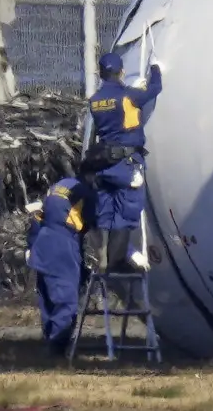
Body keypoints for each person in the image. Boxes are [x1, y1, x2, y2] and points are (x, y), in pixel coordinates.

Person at [83, 52, 162, 274]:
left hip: (104, 164)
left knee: (106, 212)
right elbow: (155, 89)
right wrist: (156, 69)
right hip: (126, 163)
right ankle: (118, 261)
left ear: (100, 73)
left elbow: (114, 109)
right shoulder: (128, 96)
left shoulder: (95, 100)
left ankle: (109, 257)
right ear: (121, 72)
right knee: (127, 211)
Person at [26, 176, 91, 355]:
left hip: (43, 244)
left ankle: (50, 342)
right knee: (65, 299)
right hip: (63, 246)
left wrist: (31, 245)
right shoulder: (86, 192)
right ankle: (57, 347)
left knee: (47, 298)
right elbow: (97, 219)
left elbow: (38, 216)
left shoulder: (59, 185)